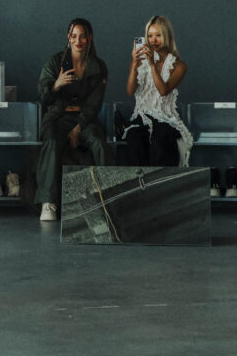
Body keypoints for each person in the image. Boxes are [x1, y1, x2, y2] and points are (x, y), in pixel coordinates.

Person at [35, 19, 108, 222]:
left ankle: (106, 196)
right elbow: (43, 98)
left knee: (99, 142)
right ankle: (48, 202)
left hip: (85, 119)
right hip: (58, 117)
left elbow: (94, 104)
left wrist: (78, 127)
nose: (78, 41)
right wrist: (56, 85)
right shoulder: (55, 62)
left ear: (90, 37)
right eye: (74, 36)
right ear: (68, 37)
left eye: (82, 36)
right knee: (51, 141)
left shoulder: (98, 66)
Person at [123, 15, 192, 168]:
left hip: (165, 117)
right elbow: (130, 91)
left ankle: (160, 178)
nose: (153, 40)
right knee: (134, 137)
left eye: (158, 35)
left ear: (167, 36)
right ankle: (139, 179)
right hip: (143, 115)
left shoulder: (179, 66)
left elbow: (163, 91)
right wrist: (134, 65)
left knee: (160, 139)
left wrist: (152, 65)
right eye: (150, 36)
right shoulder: (140, 62)